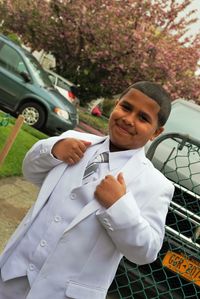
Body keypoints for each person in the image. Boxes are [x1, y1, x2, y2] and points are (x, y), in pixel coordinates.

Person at [0, 81, 174, 299]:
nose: (129, 120)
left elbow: (146, 252)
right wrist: (53, 150)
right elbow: (30, 171)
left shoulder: (155, 185)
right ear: (116, 104)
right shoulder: (76, 141)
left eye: (143, 118)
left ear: (156, 132)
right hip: (12, 275)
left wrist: (119, 207)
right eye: (126, 107)